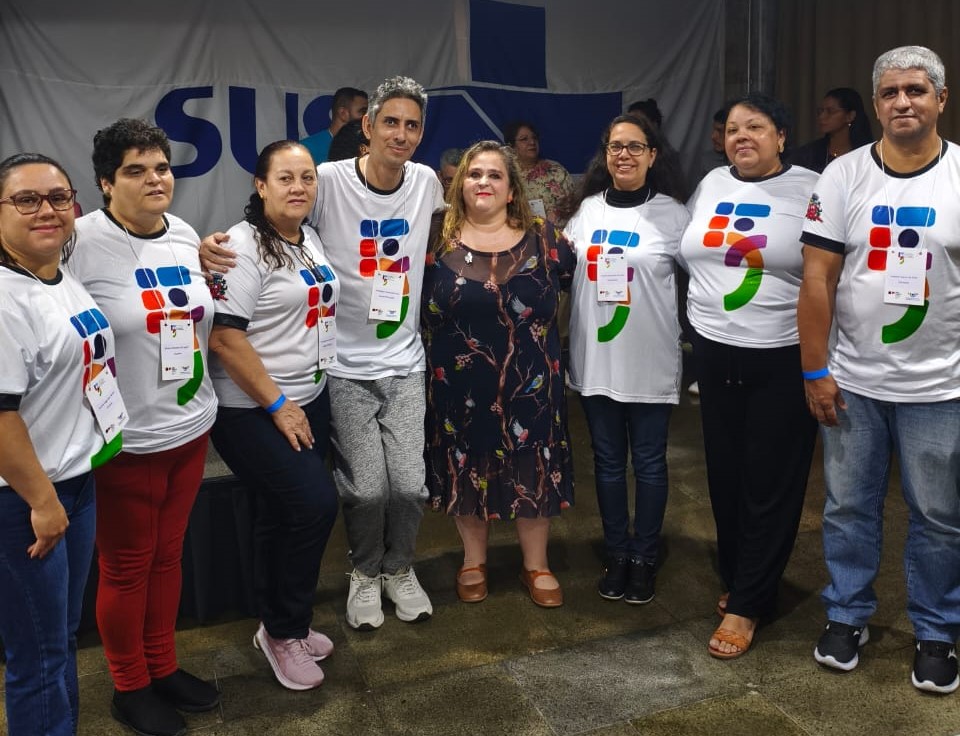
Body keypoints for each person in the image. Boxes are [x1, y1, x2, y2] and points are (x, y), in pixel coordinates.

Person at [202, 76, 445, 632]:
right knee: (365, 488)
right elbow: (267, 224)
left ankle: (399, 568)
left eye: (412, 125)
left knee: (410, 486)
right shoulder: (327, 181)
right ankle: (363, 572)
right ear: (367, 126)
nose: (401, 134)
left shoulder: (428, 182)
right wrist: (205, 246)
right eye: (390, 122)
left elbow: (442, 235)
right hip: (341, 368)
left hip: (405, 360)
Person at [798, 45, 960, 695]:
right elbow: (818, 278)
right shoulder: (842, 177)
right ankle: (846, 615)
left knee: (940, 517)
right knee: (847, 508)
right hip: (854, 381)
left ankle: (937, 629)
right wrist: (815, 371)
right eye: (890, 92)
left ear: (941, 99)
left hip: (942, 386)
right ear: (876, 104)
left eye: (916, 90)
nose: (903, 102)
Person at [67, 119, 220, 736]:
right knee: (127, 566)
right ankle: (130, 686)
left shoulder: (183, 233)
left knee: (168, 556)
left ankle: (163, 666)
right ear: (105, 183)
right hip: (124, 440)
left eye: (161, 167)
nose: (154, 178)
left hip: (189, 425)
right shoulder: (77, 241)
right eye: (135, 169)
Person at [679, 93, 819, 659]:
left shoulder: (814, 187)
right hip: (715, 354)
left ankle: (748, 603)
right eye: (733, 128)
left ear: (781, 135)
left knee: (771, 480)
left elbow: (827, 273)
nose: (742, 137)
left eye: (756, 127)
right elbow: (690, 253)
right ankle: (741, 575)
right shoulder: (711, 184)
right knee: (726, 473)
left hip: (781, 357)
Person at [207, 140, 340, 691]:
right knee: (313, 506)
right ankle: (284, 632)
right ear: (260, 185)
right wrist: (280, 406)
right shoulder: (241, 248)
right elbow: (224, 338)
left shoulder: (306, 237)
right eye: (285, 178)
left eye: (306, 178)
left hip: (308, 398)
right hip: (254, 410)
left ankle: (283, 623)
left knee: (277, 515)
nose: (298, 188)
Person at [422, 140, 575, 607]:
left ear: (512, 189)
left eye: (494, 175)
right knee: (467, 465)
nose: (483, 182)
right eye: (474, 174)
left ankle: (537, 565)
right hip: (460, 385)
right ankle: (473, 561)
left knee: (533, 463)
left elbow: (568, 287)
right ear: (459, 186)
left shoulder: (547, 239)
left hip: (532, 383)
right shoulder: (434, 241)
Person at [0, 153, 121, 736]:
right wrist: (43, 503)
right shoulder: (4, 297)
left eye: (57, 197)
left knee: (60, 639)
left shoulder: (54, 271)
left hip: (73, 485)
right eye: (26, 199)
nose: (46, 210)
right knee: (38, 656)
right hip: (26, 502)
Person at [563, 114, 690, 605]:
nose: (624, 155)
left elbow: (706, 274)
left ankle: (644, 554)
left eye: (635, 147)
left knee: (652, 464)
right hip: (597, 360)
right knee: (609, 463)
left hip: (650, 360)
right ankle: (617, 551)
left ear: (653, 156)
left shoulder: (674, 215)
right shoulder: (587, 212)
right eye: (616, 146)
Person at [503, 120, 576, 225]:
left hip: (560, 234)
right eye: (524, 139)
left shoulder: (555, 170)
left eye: (534, 138)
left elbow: (574, 204)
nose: (532, 142)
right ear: (511, 146)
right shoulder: (506, 175)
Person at [789, 87, 873, 173]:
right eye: (821, 111)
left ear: (850, 116)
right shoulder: (807, 155)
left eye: (830, 111)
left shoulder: (867, 154)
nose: (822, 116)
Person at [300, 86, 368, 165]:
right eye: (363, 112)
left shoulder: (367, 148)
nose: (367, 117)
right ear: (343, 113)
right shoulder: (305, 150)